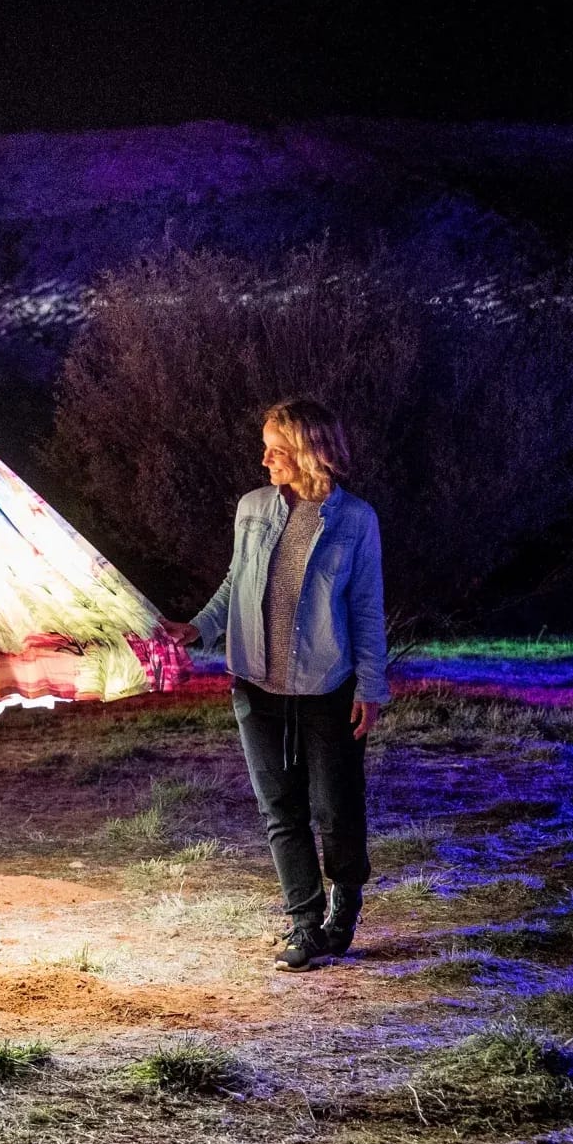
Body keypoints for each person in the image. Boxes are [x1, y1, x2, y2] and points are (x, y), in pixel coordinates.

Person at [164, 398, 388, 971]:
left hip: (327, 686)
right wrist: (199, 626)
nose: (264, 459)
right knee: (280, 810)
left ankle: (344, 910)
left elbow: (365, 607)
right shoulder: (252, 508)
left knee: (336, 809)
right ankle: (304, 924)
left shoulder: (356, 520)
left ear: (310, 451)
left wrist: (371, 686)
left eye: (277, 449)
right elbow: (234, 581)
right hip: (256, 684)